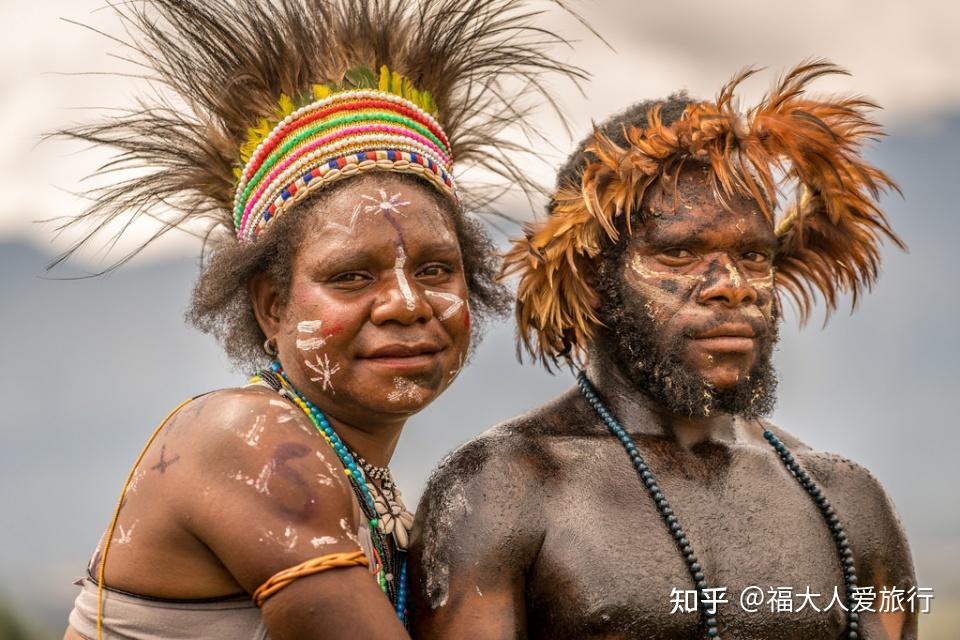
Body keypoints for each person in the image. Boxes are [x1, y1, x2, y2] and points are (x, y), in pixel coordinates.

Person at [59, 1, 581, 638]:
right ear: (272, 307)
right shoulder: (245, 439)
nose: (407, 303)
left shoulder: (361, 481)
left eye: (437, 270)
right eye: (351, 277)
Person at [409, 62, 918, 639]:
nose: (734, 285)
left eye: (754, 257)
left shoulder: (848, 500)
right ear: (593, 275)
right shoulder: (503, 489)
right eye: (679, 255)